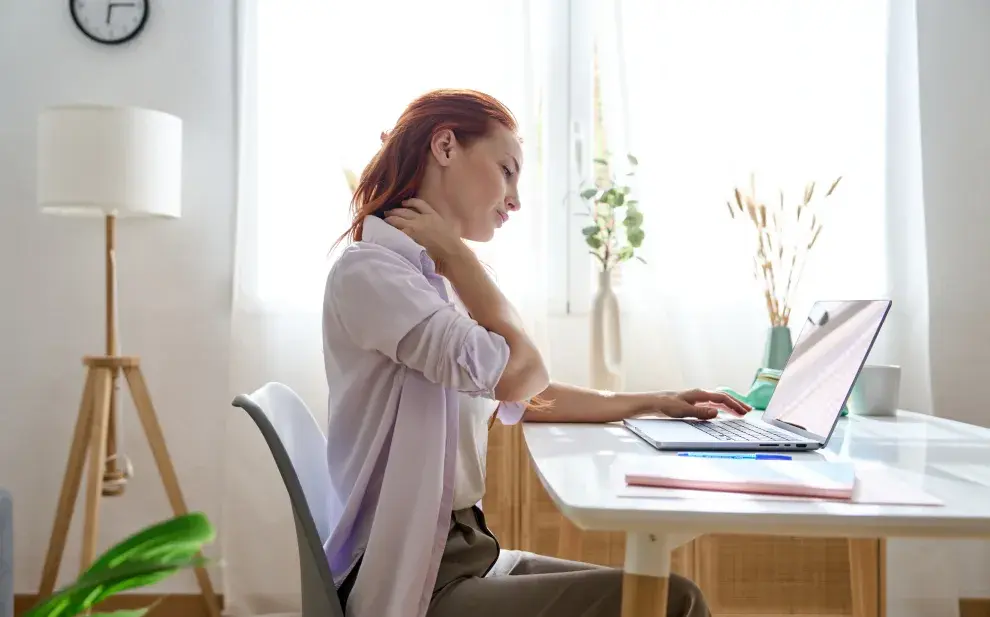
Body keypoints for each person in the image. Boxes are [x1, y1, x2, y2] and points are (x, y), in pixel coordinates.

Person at [321, 88, 750, 617]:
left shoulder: (428, 281)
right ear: (445, 146)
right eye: (506, 170)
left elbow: (528, 392)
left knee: (667, 595)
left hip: (465, 553)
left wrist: (652, 401)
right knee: (673, 603)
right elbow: (519, 372)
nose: (516, 199)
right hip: (416, 577)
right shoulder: (373, 274)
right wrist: (459, 258)